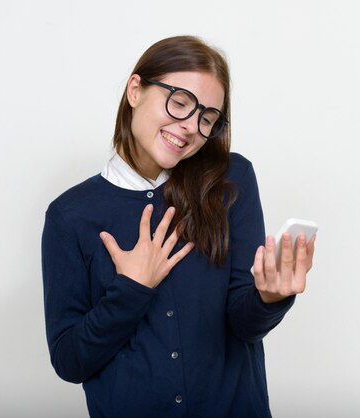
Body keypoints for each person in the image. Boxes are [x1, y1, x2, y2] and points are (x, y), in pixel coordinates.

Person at [41, 35, 316, 418]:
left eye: (206, 118)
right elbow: (70, 361)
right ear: (135, 90)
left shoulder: (230, 180)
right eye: (180, 102)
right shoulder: (69, 216)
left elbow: (244, 324)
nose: (189, 127)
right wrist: (131, 289)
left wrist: (270, 298)